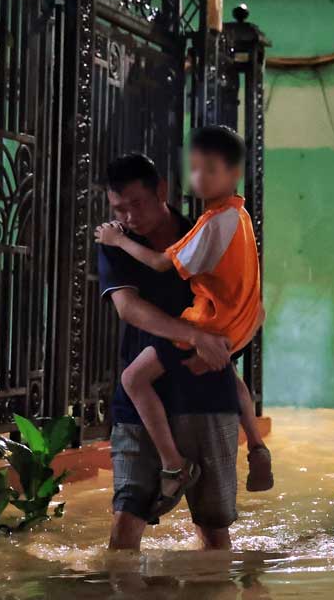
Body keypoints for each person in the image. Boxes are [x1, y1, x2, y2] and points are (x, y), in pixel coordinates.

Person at [95, 127, 270, 520]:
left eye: (136, 205)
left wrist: (219, 345)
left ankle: (179, 464)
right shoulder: (230, 222)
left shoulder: (203, 229)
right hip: (146, 406)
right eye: (118, 209)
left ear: (162, 190)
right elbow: (128, 308)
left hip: (206, 396)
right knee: (125, 527)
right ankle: (251, 446)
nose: (127, 218)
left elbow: (163, 264)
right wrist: (210, 340)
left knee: (214, 533)